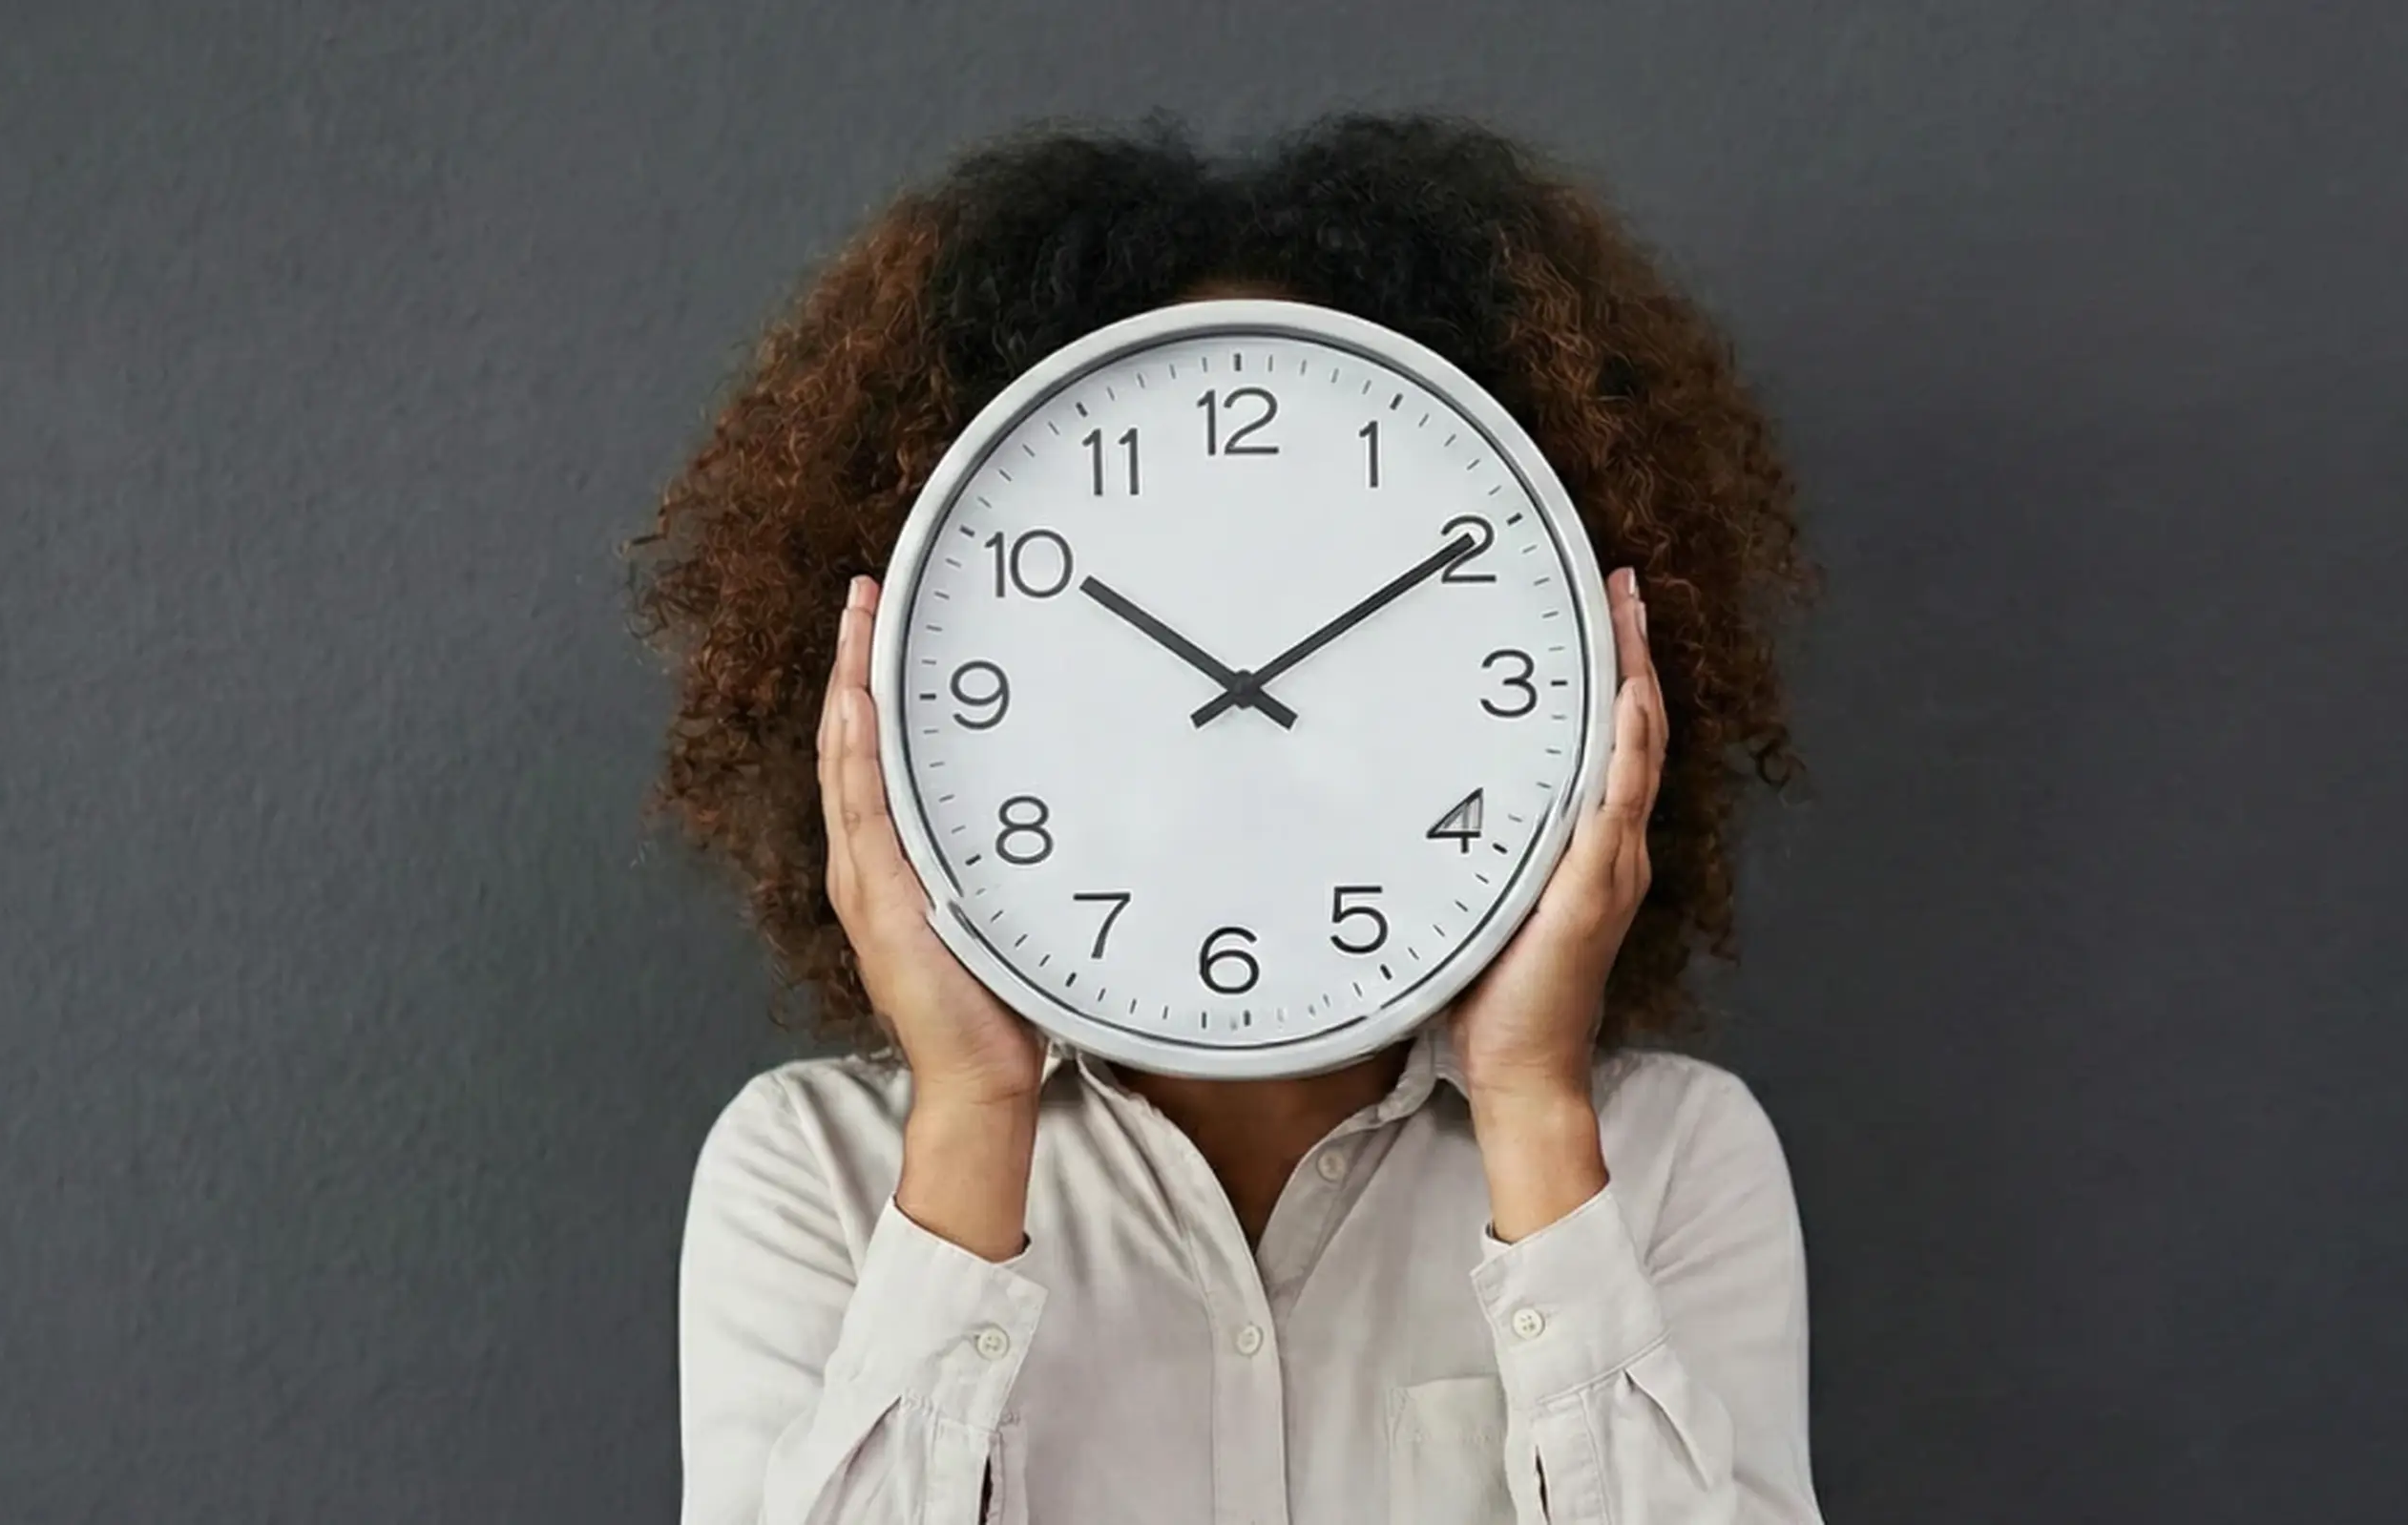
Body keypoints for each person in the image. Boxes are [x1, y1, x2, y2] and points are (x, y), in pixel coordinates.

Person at [635, 112, 1819, 1525]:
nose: (1244, 700)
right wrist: (968, 1111)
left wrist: (1531, 1102)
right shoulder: (811, 1176)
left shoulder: (1672, 1159)